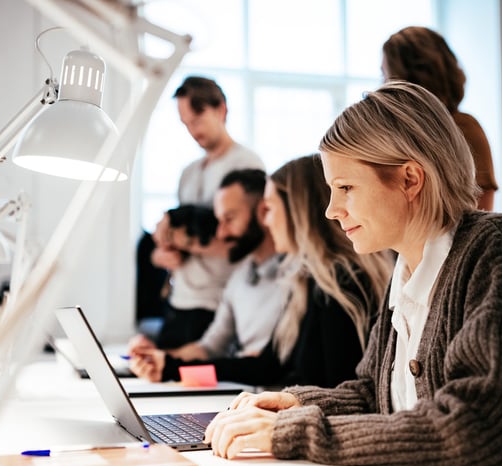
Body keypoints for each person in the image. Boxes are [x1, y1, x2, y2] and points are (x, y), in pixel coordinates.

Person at [204, 82, 502, 466]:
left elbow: (485, 427)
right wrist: (291, 403)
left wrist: (295, 431)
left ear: (410, 178)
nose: (331, 211)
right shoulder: (407, 268)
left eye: (346, 188)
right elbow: (372, 394)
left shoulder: (501, 247)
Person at [130, 154, 393, 388]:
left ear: (297, 212)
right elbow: (265, 367)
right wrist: (171, 369)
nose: (266, 221)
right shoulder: (304, 280)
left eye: (269, 210)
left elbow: (337, 392)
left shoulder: (340, 282)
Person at [143, 76, 264, 349]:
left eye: (196, 119)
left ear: (221, 109)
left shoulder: (245, 164)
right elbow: (171, 237)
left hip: (216, 303)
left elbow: (246, 241)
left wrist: (182, 239)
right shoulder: (188, 172)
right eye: (185, 124)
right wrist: (162, 252)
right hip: (179, 299)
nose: (192, 130)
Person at [129, 169, 287, 361]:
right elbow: (210, 347)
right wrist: (153, 357)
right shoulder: (240, 278)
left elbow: (269, 366)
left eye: (229, 219)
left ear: (263, 212)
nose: (220, 234)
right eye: (219, 221)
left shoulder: (295, 277)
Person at [381, 26, 499, 211]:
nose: (383, 84)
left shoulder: (463, 128)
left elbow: (481, 207)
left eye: (386, 74)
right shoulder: (395, 135)